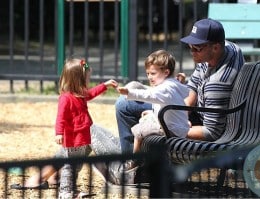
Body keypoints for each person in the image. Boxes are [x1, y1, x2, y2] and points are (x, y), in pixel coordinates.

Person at [115, 18, 245, 153]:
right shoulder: (229, 48)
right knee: (134, 88)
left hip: (197, 124)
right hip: (191, 113)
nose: (192, 52)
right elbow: (193, 87)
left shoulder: (218, 83)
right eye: (190, 47)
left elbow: (211, 132)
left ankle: (130, 164)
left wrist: (171, 127)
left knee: (124, 105)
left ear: (216, 47)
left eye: (197, 48)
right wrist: (179, 111)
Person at [54, 58, 118, 198]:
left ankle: (72, 190)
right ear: (78, 80)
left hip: (83, 137)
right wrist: (59, 133)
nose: (88, 82)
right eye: (87, 78)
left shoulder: (80, 94)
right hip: (72, 139)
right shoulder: (66, 98)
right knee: (69, 167)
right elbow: (61, 117)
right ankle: (65, 192)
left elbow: (91, 93)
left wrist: (105, 85)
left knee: (76, 166)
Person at [117, 50, 190, 158]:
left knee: (138, 131)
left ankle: (133, 161)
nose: (150, 77)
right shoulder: (172, 84)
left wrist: (129, 92)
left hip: (169, 130)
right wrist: (152, 112)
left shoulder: (165, 88)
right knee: (145, 119)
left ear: (166, 72)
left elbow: (149, 95)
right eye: (148, 73)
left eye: (153, 74)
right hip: (176, 127)